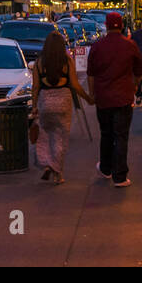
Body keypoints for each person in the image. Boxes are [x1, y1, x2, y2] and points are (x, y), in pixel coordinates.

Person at [86, 12, 142, 187]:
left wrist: (92, 93)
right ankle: (120, 176)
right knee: (121, 136)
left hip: (103, 97)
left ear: (107, 25)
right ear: (121, 25)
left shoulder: (97, 46)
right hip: (124, 97)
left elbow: (91, 74)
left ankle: (105, 168)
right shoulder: (130, 45)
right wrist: (134, 86)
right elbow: (139, 71)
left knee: (106, 134)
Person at [30, 31, 93, 184]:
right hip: (63, 100)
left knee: (45, 135)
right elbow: (75, 85)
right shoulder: (67, 61)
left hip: (45, 101)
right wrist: (88, 98)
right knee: (61, 138)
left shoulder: (39, 63)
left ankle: (46, 164)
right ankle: (58, 173)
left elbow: (35, 87)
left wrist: (34, 106)